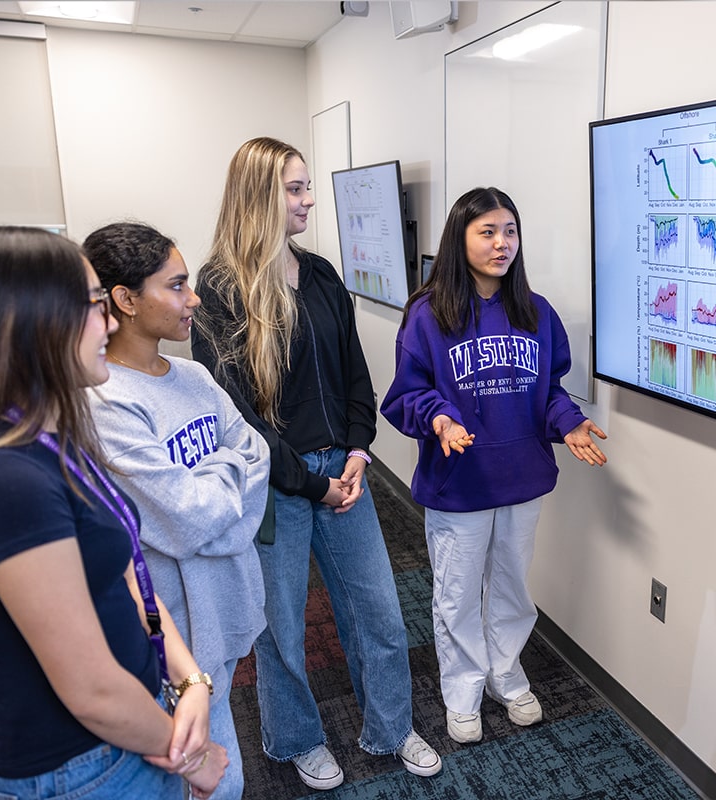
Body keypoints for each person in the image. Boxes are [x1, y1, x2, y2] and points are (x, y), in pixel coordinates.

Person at [0, 225, 228, 800]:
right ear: (29, 324)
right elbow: (91, 690)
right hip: (78, 770)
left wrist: (190, 678)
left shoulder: (50, 437)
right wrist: (191, 756)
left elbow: (127, 577)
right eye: (93, 306)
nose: (110, 323)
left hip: (122, 742)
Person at [191, 136, 442, 791]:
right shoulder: (218, 290)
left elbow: (356, 373)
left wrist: (359, 451)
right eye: (295, 189)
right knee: (282, 630)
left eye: (306, 188)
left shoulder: (323, 275)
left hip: (344, 472)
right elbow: (238, 416)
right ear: (258, 197)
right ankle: (295, 738)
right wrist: (312, 484)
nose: (307, 201)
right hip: (277, 484)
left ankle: (392, 729)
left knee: (381, 615)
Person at [381, 187, 608, 745]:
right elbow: (406, 394)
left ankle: (505, 675)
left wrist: (569, 421)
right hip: (460, 483)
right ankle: (462, 690)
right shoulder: (428, 314)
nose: (501, 243)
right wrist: (438, 419)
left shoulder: (535, 310)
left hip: (521, 479)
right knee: (456, 594)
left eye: (510, 231)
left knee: (510, 586)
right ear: (460, 239)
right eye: (487, 231)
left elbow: (547, 390)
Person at [83, 221, 269, 800]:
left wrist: (212, 490)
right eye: (177, 286)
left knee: (217, 741)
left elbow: (257, 459)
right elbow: (184, 520)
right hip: (172, 628)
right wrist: (224, 477)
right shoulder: (105, 401)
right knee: (193, 765)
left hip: (227, 597)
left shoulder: (195, 376)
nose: (193, 300)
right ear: (126, 300)